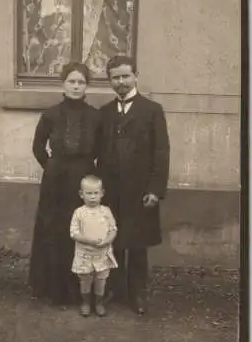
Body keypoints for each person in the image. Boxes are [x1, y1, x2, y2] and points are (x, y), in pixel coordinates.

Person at [97, 55, 170, 315]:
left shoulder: (152, 111)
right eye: (115, 78)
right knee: (112, 241)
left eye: (125, 76)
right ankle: (115, 289)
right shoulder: (104, 113)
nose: (121, 82)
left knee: (138, 243)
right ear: (110, 81)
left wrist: (155, 189)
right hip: (112, 190)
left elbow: (161, 153)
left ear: (136, 76)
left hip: (140, 190)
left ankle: (138, 293)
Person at [28, 62, 101, 306]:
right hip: (56, 179)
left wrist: (91, 177)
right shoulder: (50, 114)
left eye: (81, 82)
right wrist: (51, 167)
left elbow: (101, 149)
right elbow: (38, 147)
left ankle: (78, 289)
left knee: (80, 228)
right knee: (55, 229)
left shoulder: (95, 116)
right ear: (63, 83)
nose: (76, 86)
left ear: (86, 85)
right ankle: (52, 288)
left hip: (82, 177)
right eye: (72, 81)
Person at [70, 175, 118, 317]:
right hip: (84, 255)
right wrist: (89, 240)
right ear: (81, 194)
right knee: (85, 280)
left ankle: (98, 302)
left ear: (102, 193)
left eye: (96, 193)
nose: (92, 197)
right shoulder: (79, 212)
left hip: (101, 254)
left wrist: (107, 240)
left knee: (100, 281)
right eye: (88, 193)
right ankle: (85, 302)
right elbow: (73, 233)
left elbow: (113, 229)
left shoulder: (106, 211)